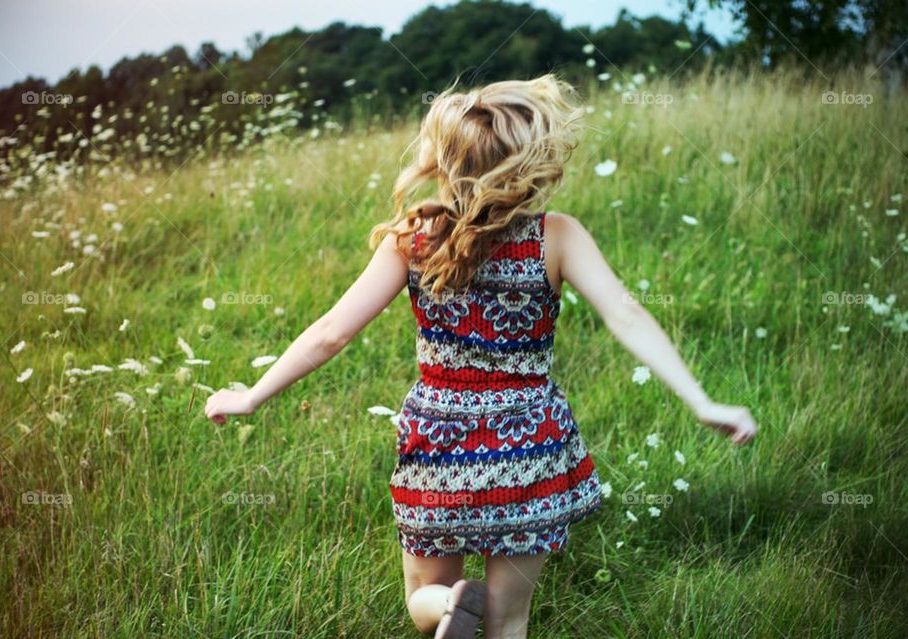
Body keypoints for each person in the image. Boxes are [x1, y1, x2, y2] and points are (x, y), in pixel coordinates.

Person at [204, 74, 758, 639]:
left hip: (439, 446)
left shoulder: (414, 238)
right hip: (530, 445)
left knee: (423, 596)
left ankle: (447, 604)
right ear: (523, 162)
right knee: (506, 620)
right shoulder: (556, 236)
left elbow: (330, 335)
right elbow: (626, 316)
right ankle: (465, 612)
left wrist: (252, 395)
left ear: (443, 162)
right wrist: (701, 400)